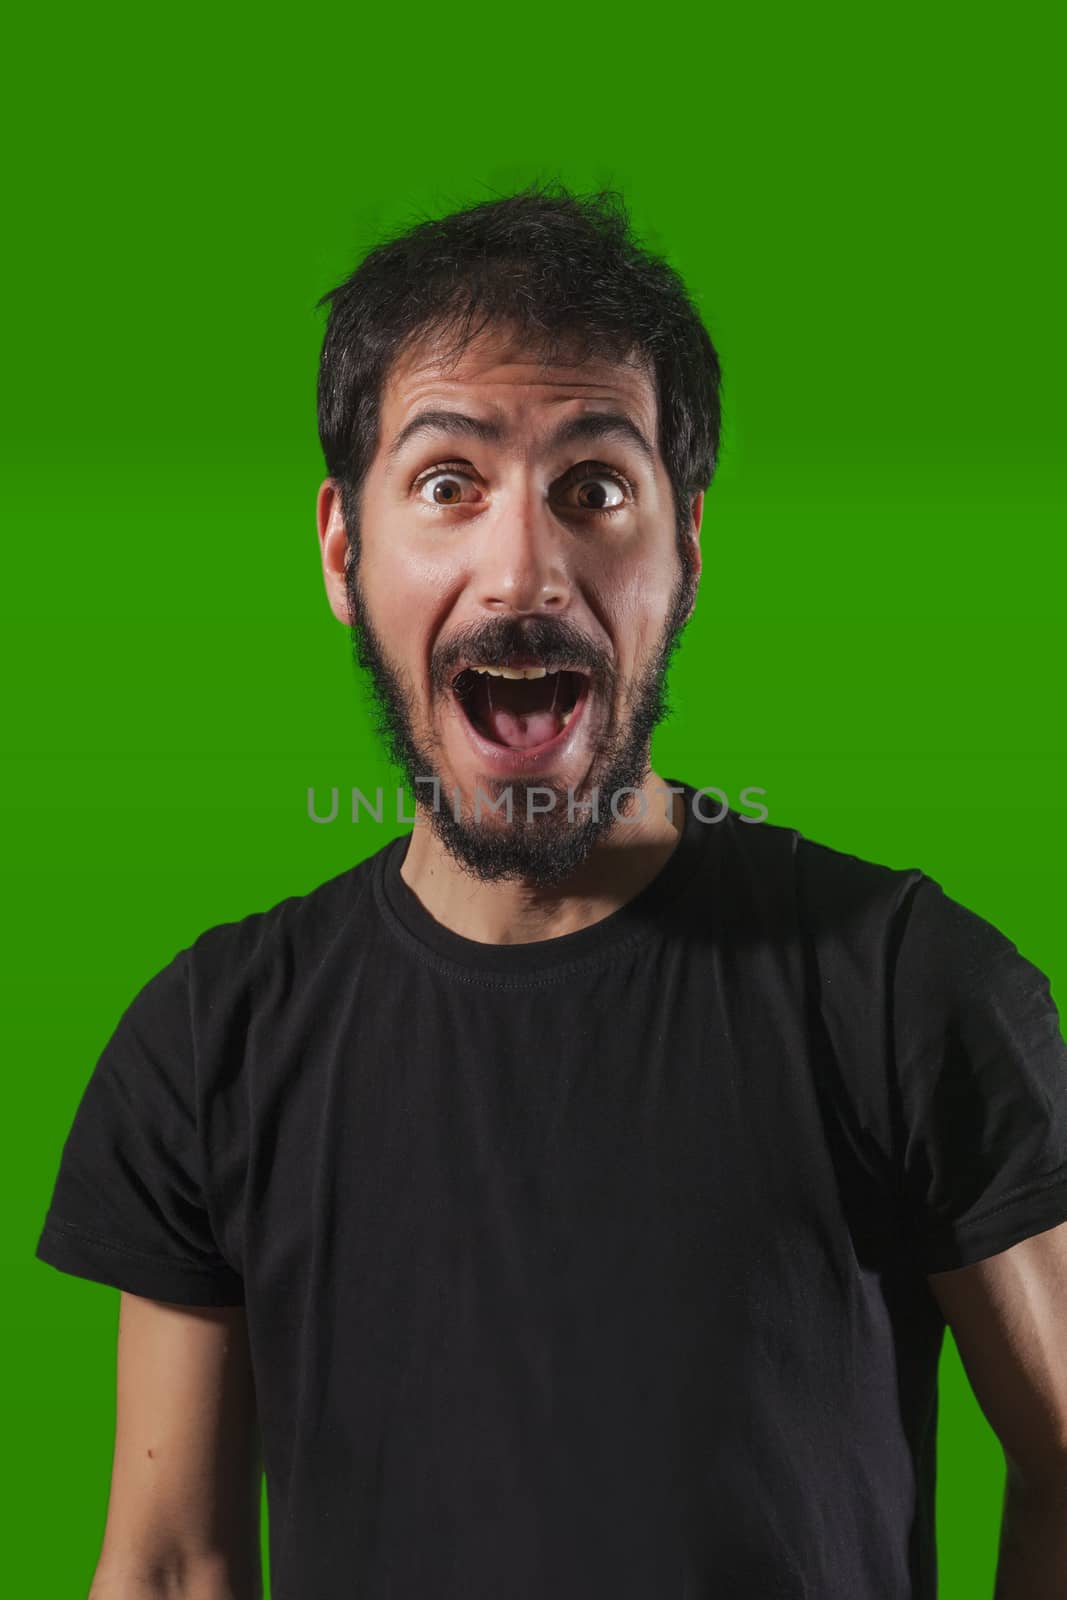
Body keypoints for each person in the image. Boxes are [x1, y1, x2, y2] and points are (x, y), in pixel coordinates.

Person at [36, 184, 1067, 1600]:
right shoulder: (211, 1042)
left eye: (595, 488)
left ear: (687, 551)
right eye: (448, 484)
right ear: (344, 551)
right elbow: (165, 1562)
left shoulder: (905, 986)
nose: (521, 569)